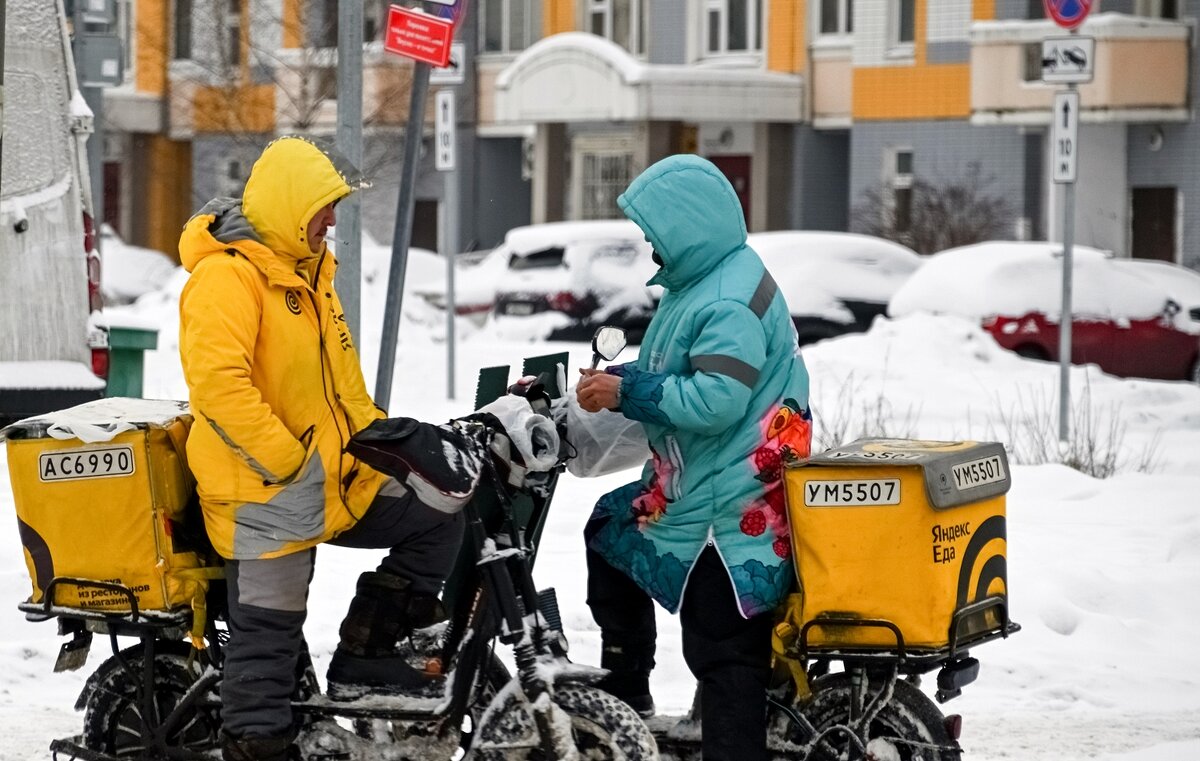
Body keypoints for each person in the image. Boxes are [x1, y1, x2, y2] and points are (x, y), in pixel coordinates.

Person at [178, 136, 464, 761]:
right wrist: (288, 462)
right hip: (262, 489)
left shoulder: (311, 274)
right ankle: (255, 741)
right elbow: (219, 390)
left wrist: (391, 445)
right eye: (324, 206)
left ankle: (369, 649)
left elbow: (343, 387)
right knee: (269, 634)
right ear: (289, 205)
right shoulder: (227, 277)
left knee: (439, 514)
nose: (333, 219)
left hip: (331, 476)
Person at [576, 154, 812, 761]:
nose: (648, 242)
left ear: (688, 225)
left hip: (730, 510)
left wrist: (627, 392)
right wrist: (623, 383)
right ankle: (626, 692)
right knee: (610, 531)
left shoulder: (725, 300)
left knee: (723, 648)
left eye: (654, 229)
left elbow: (716, 400)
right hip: (707, 481)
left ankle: (725, 745)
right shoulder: (710, 279)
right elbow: (687, 370)